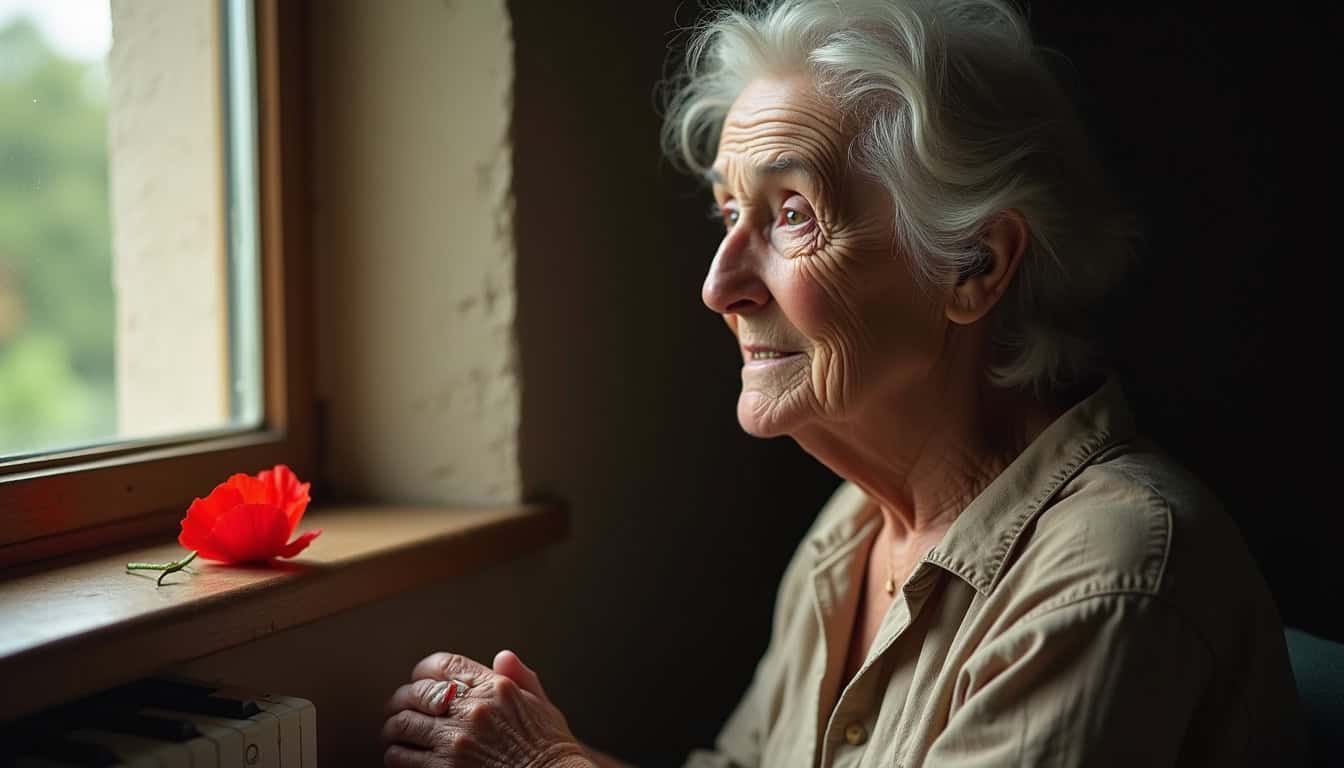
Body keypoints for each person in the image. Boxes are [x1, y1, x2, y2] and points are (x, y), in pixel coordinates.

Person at [380, 0, 1308, 765]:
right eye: (729, 213)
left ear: (975, 265)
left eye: (792, 214)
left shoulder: (1109, 569)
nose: (719, 286)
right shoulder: (855, 530)